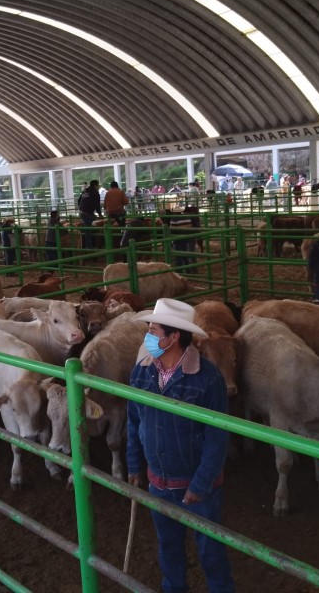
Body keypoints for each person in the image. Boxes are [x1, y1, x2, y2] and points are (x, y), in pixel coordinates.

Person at [127, 298, 235, 593]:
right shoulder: (142, 371)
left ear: (174, 337)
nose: (148, 338)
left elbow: (217, 436)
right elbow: (134, 420)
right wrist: (134, 465)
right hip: (158, 481)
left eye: (153, 331)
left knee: (210, 552)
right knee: (168, 548)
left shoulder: (207, 379)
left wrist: (200, 484)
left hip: (198, 487)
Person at [78, 180, 103, 249]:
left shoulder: (85, 191)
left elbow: (79, 200)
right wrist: (100, 215)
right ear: (95, 185)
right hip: (87, 213)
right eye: (98, 186)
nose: (98, 187)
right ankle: (89, 246)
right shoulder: (95, 193)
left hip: (83, 212)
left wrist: (80, 208)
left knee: (90, 227)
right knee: (88, 230)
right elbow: (97, 205)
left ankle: (91, 244)